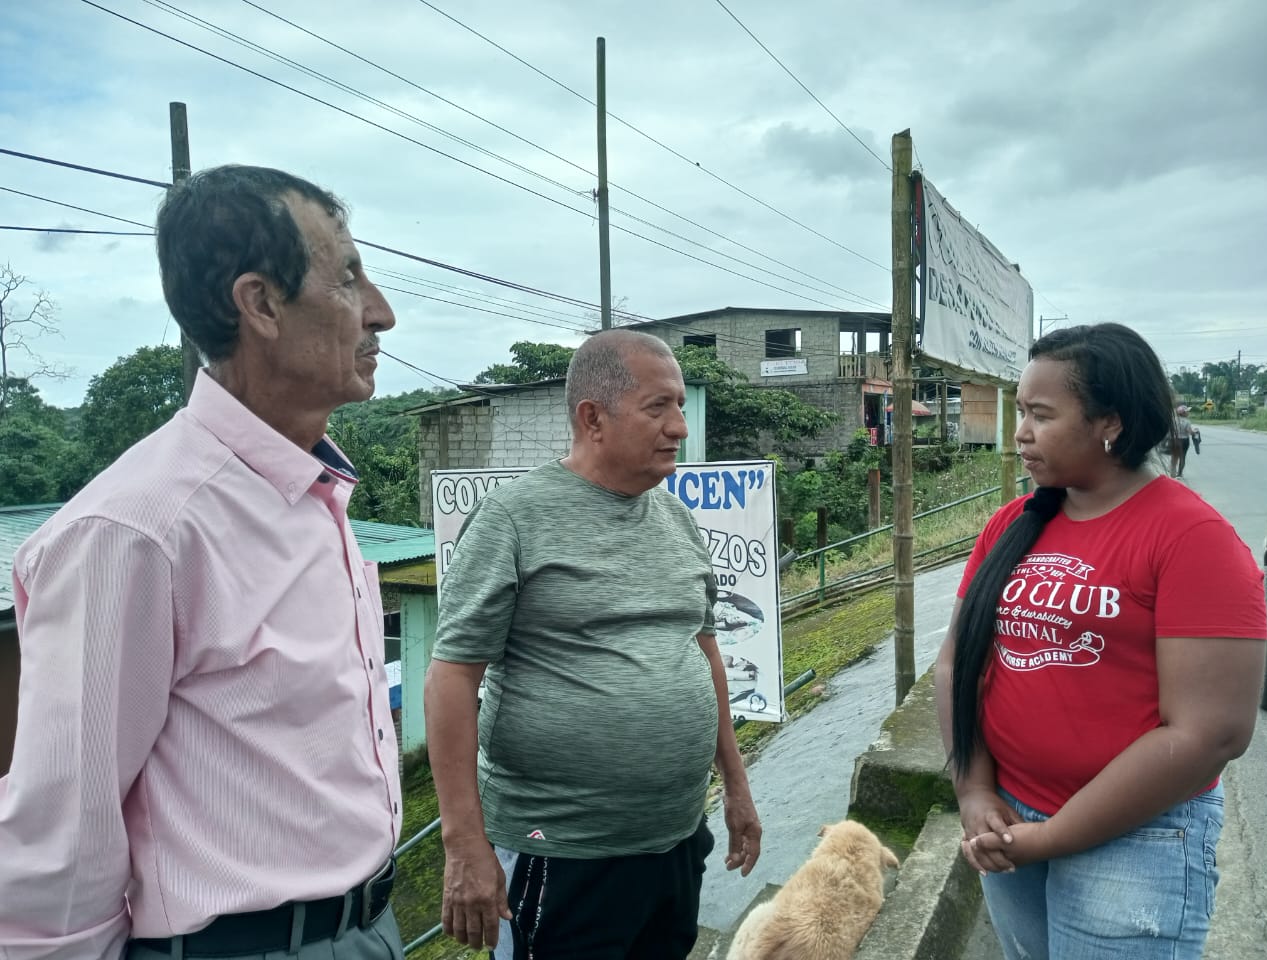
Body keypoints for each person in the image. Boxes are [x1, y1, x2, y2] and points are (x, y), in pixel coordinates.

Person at [0, 166, 403, 960]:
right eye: (350, 277)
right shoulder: (136, 530)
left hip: (370, 927)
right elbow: (62, 836)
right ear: (260, 305)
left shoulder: (316, 493)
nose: (381, 312)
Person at [425, 329, 762, 959]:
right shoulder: (512, 519)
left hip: (674, 840)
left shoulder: (676, 519)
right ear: (593, 418)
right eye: (658, 407)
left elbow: (703, 650)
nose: (679, 426)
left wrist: (736, 786)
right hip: (559, 851)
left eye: (679, 405)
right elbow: (452, 677)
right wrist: (464, 843)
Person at [935, 323, 1266, 959]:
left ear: (1109, 423)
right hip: (1008, 816)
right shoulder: (1010, 525)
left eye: (1040, 415)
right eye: (1020, 412)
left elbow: (1211, 734)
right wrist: (973, 790)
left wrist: (1054, 836)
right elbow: (957, 663)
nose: (1020, 433)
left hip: (1138, 841)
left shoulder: (1192, 539)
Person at [1170, 404, 1194, 478]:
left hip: (1175, 440)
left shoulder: (1173, 420)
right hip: (1184, 441)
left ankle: (1172, 473)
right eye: (1187, 411)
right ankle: (1179, 474)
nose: (1188, 413)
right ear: (1183, 413)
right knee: (1182, 457)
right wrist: (1194, 432)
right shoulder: (1187, 421)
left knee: (1174, 457)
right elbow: (1189, 432)